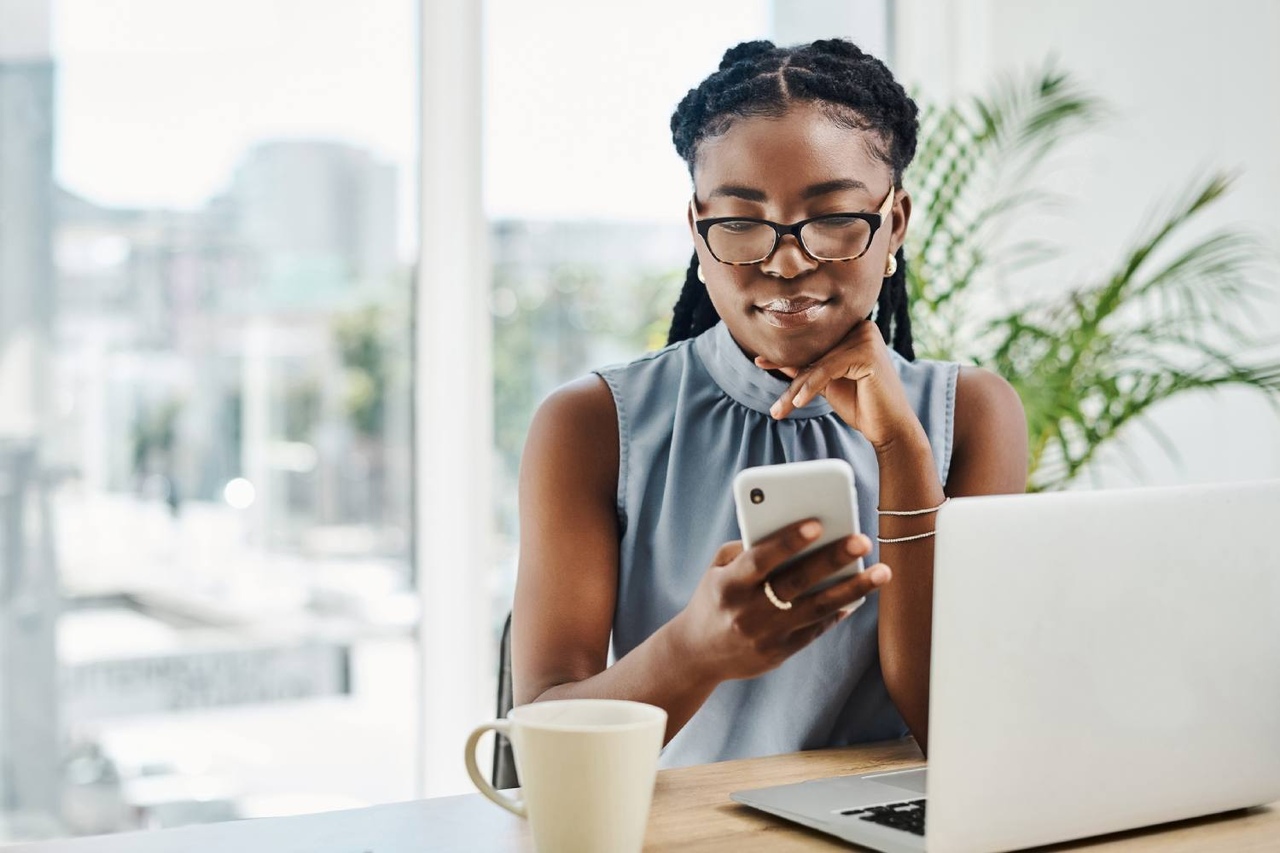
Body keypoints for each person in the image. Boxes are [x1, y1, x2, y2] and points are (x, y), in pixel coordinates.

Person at [512, 38, 1027, 766]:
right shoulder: (593, 424)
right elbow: (542, 740)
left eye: (835, 217)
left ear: (896, 222)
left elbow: (962, 730)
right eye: (742, 221)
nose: (787, 261)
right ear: (697, 229)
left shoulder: (971, 414)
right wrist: (694, 650)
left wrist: (903, 453)